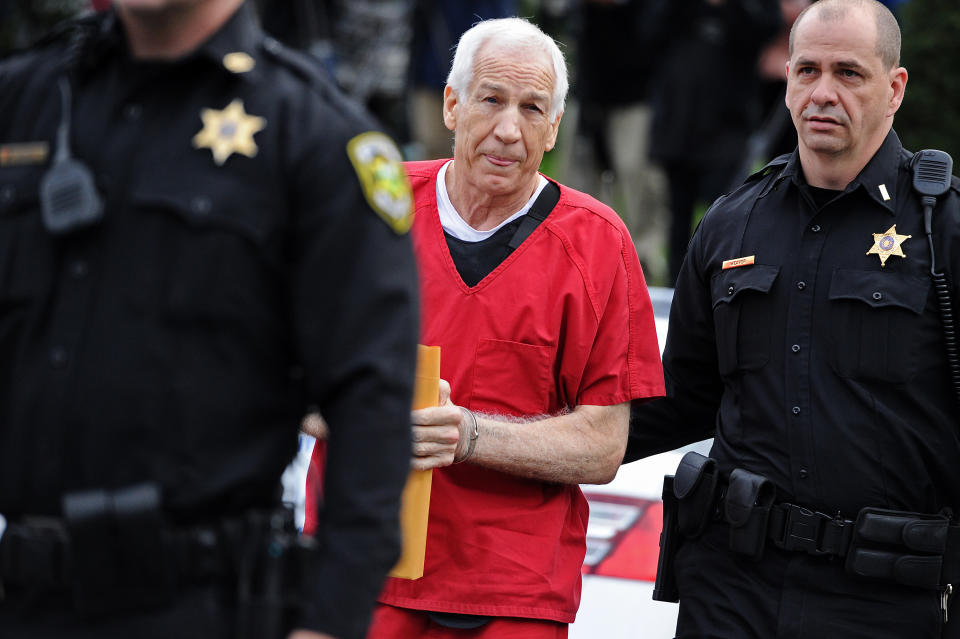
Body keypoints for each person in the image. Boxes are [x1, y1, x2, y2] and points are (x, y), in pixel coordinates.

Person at [0, 1, 419, 639]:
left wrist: (329, 622)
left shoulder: (312, 137)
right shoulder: (24, 101)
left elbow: (373, 406)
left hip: (200, 604)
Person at [304, 16, 665, 639]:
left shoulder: (598, 242)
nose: (508, 129)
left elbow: (605, 446)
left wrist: (468, 435)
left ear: (555, 126)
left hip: (511, 590)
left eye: (532, 108)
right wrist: (367, 417)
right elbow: (283, 376)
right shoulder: (368, 209)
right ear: (451, 104)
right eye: (491, 99)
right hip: (360, 566)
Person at [628, 0, 960, 636]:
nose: (823, 93)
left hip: (884, 602)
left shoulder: (941, 229)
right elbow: (675, 402)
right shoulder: (731, 223)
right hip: (731, 589)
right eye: (806, 70)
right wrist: (515, 429)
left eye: (849, 73)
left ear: (895, 89)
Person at [646, 0, 781, 285]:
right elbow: (649, 31)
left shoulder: (750, 10)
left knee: (726, 213)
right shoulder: (677, 11)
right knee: (678, 215)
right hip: (679, 123)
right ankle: (677, 285)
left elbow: (765, 29)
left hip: (728, 127)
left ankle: (720, 283)